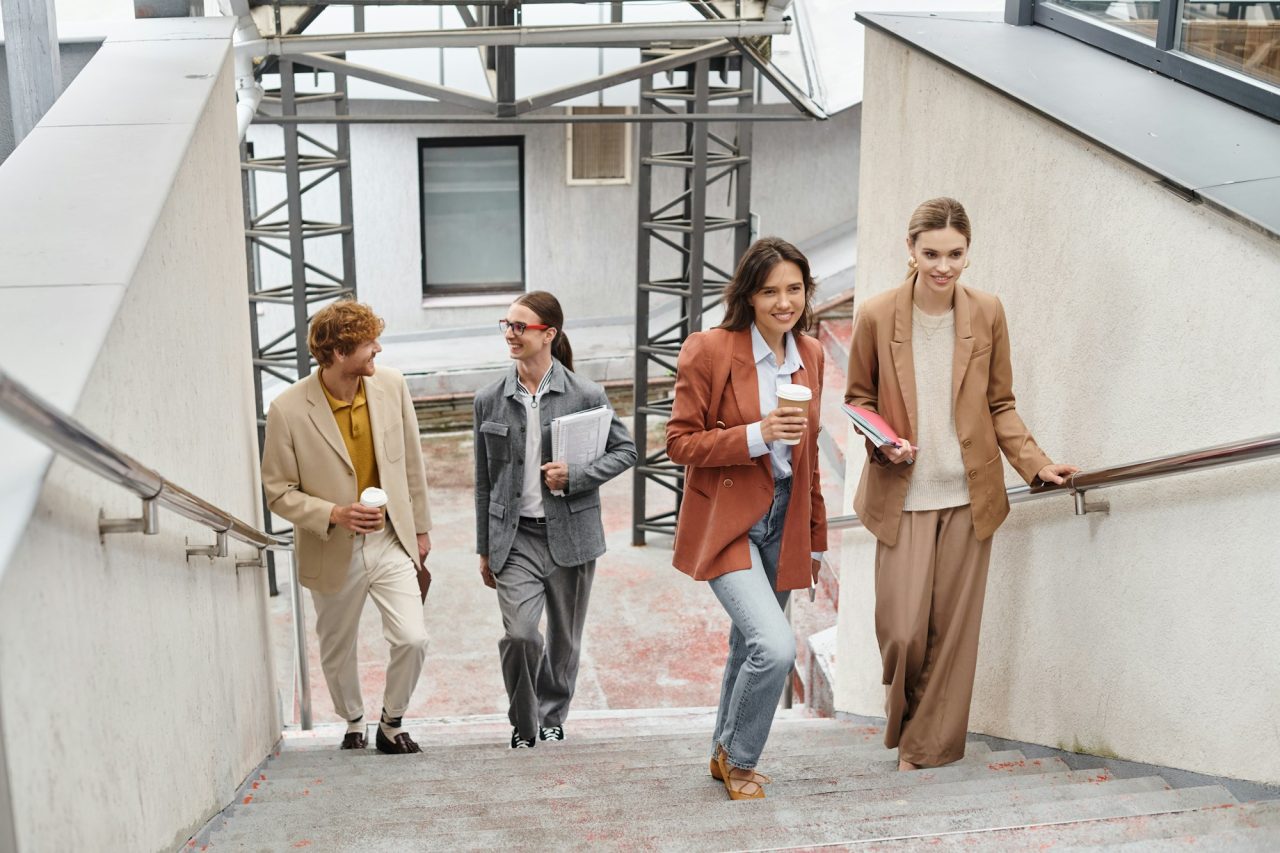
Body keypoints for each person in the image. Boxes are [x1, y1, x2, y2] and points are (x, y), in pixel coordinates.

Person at [846, 197, 1079, 771]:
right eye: (932, 254)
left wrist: (1035, 463)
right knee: (903, 632)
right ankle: (909, 726)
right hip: (902, 494)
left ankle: (926, 749)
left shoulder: (988, 312)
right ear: (911, 249)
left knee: (951, 635)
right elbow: (859, 400)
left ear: (968, 252)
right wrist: (883, 443)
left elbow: (1000, 403)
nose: (943, 266)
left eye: (955, 254)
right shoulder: (876, 315)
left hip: (969, 495)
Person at [666, 237, 827, 800]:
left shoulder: (812, 354)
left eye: (794, 289)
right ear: (749, 296)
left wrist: (815, 535)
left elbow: (809, 458)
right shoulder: (708, 350)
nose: (785, 302)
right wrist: (758, 434)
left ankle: (722, 751)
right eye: (770, 291)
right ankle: (740, 760)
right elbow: (679, 443)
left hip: (785, 515)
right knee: (775, 646)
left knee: (748, 645)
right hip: (729, 517)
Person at [261, 301, 432, 754]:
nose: (378, 349)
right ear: (339, 352)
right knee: (337, 650)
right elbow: (278, 491)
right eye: (368, 343)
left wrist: (420, 530)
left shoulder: (391, 385)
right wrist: (334, 513)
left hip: (390, 538)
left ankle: (392, 722)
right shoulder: (287, 410)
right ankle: (354, 719)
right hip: (331, 544)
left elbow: (411, 463)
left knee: (413, 637)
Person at [473, 291, 637, 749]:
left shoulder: (586, 394)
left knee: (564, 640)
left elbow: (626, 451)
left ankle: (552, 714)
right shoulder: (489, 399)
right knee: (521, 635)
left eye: (520, 326)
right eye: (507, 325)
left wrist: (577, 476)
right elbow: (483, 482)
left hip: (572, 534)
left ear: (549, 334)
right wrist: (484, 548)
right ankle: (524, 723)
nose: (510, 334)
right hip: (514, 538)